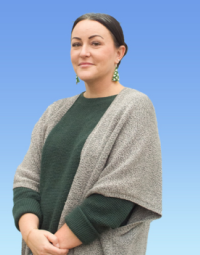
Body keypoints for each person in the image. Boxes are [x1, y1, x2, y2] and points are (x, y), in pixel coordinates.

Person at [12, 13, 162, 255]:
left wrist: (52, 245)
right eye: (76, 44)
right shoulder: (55, 111)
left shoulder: (134, 107)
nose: (83, 52)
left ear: (119, 53)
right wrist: (30, 235)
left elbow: (120, 193)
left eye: (95, 43)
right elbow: (26, 180)